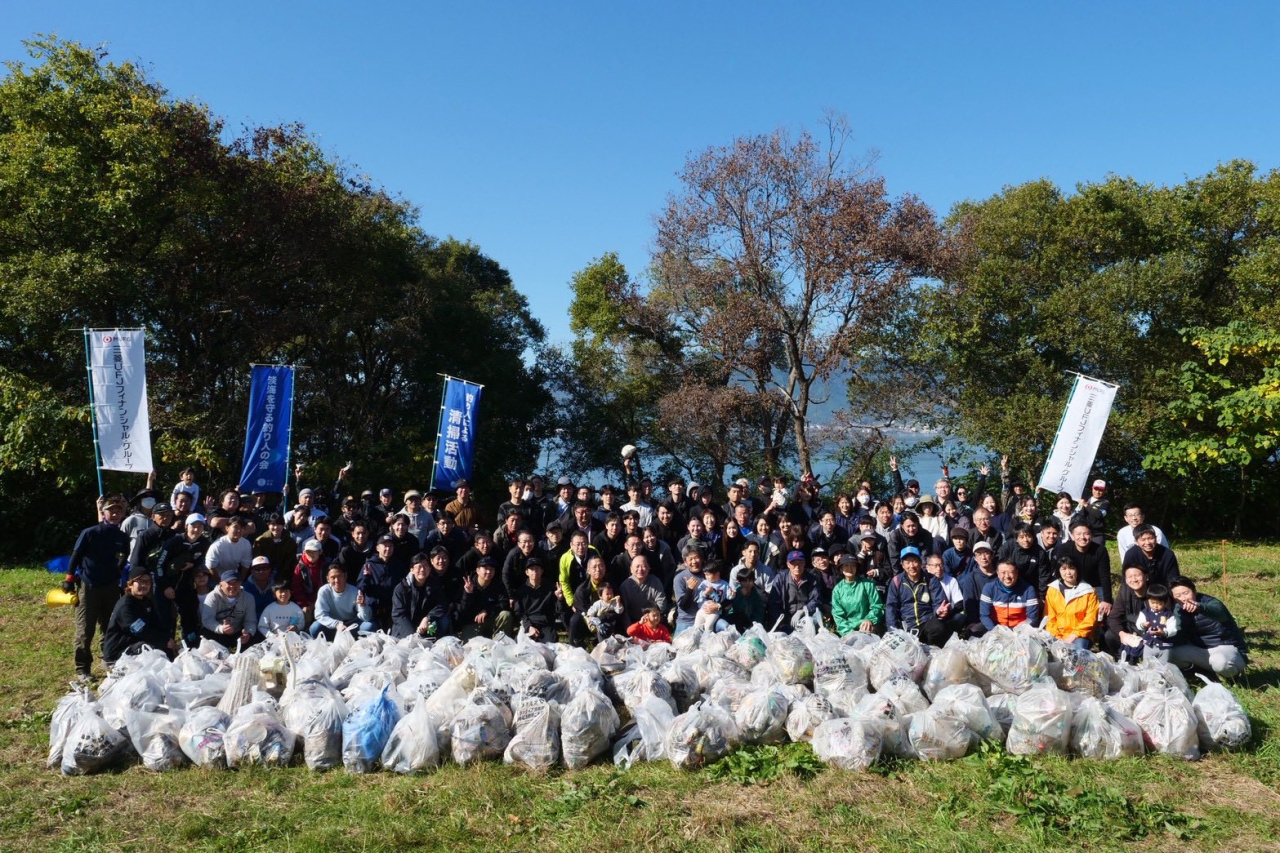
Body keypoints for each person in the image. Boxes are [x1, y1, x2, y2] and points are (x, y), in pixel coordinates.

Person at [66, 495, 131, 679]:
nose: (115, 514)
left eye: (118, 510)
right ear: (103, 513)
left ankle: (109, 661)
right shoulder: (90, 533)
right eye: (111, 510)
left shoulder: (122, 537)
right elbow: (75, 556)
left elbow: (123, 556)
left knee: (110, 627)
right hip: (89, 586)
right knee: (85, 630)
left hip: (110, 587)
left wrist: (118, 572)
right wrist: (69, 579)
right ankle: (83, 668)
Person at [1168, 577, 1248, 678]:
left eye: (1186, 593)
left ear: (1194, 591)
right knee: (1169, 653)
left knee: (1220, 663)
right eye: (1178, 596)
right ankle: (1200, 673)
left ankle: (1232, 677)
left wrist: (1200, 608)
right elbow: (1179, 633)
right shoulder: (1178, 609)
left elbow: (1220, 614)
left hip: (1226, 650)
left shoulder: (1211, 602)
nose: (1183, 598)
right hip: (1202, 651)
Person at [103, 565, 175, 665]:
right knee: (150, 648)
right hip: (118, 652)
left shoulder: (146, 601)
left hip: (136, 643)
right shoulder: (125, 606)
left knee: (166, 649)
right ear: (131, 584)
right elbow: (139, 630)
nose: (144, 585)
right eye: (140, 581)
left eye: (147, 582)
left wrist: (168, 638)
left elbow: (156, 624)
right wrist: (164, 640)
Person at [884, 547, 950, 645]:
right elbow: (891, 608)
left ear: (920, 562)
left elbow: (939, 602)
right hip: (907, 625)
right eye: (908, 562)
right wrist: (893, 631)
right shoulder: (896, 581)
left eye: (915, 561)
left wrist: (938, 611)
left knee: (938, 628)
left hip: (927, 622)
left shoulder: (931, 579)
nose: (912, 566)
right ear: (902, 565)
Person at [1053, 520, 1113, 617]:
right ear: (1072, 536)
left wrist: (1107, 600)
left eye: (1086, 534)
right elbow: (1060, 572)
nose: (1082, 537)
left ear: (1091, 535)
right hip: (1071, 586)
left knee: (1103, 613)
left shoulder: (1100, 550)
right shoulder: (1064, 549)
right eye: (1078, 534)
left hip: (1094, 587)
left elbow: (1105, 576)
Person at [393, 552, 457, 639]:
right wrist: (413, 636)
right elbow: (398, 615)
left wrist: (428, 618)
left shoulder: (434, 585)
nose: (422, 569)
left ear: (430, 569)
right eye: (419, 567)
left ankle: (433, 641)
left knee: (443, 620)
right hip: (407, 630)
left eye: (425, 566)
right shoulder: (401, 589)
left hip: (427, 626)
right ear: (412, 570)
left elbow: (441, 605)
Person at [1043, 557, 1098, 650]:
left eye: (1071, 568)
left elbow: (1090, 619)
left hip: (1080, 636)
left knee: (1078, 650)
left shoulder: (1088, 591)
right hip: (1057, 634)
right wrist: (1057, 637)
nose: (1068, 573)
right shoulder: (1052, 589)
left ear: (1077, 570)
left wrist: (1073, 635)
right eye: (1063, 569)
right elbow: (1049, 617)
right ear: (1058, 571)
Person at [311, 564, 375, 639]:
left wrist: (363, 606)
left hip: (351, 625)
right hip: (333, 626)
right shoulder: (324, 591)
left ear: (345, 576)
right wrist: (336, 624)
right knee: (315, 628)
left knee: (369, 626)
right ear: (328, 579)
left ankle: (355, 641)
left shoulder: (355, 591)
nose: (336, 580)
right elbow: (320, 615)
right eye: (333, 577)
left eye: (339, 576)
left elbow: (366, 618)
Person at [768, 550, 823, 633]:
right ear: (788, 565)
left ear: (804, 563)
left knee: (818, 616)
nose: (797, 566)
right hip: (785, 619)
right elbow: (773, 602)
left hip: (805, 616)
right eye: (794, 564)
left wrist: (803, 610)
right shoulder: (781, 578)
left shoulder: (812, 579)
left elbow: (816, 600)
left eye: (800, 563)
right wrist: (781, 623)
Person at [1103, 565, 1150, 661]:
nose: (1134, 579)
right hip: (1131, 630)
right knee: (1110, 635)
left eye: (1137, 575)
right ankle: (1122, 657)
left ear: (1146, 577)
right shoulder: (1124, 592)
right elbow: (1113, 617)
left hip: (1149, 633)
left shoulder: (1154, 593)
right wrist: (1122, 634)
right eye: (1130, 577)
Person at [201, 569, 258, 648]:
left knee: (254, 639)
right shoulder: (212, 596)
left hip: (237, 632)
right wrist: (221, 628)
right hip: (217, 632)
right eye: (229, 583)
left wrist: (248, 633)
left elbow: (250, 621)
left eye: (236, 582)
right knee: (206, 634)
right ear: (221, 584)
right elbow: (207, 619)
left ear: (240, 583)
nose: (232, 586)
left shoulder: (248, 598)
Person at [830, 554, 883, 637]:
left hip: (866, 625)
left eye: (853, 566)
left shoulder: (867, 584)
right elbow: (838, 615)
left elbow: (877, 606)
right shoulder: (837, 589)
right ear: (841, 569)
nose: (850, 569)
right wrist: (847, 632)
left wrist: (869, 619)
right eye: (846, 565)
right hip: (848, 627)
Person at [979, 560, 1039, 632]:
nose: (1007, 576)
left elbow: (1032, 618)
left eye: (1011, 572)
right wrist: (996, 632)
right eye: (1003, 572)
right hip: (996, 626)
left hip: (1020, 629)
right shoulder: (989, 588)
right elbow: (984, 615)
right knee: (975, 630)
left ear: (1017, 573)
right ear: (997, 573)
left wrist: (1018, 632)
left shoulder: (1028, 589)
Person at [957, 541, 998, 638]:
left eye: (986, 553)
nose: (983, 557)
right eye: (979, 554)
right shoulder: (970, 578)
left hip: (1001, 617)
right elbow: (969, 604)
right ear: (975, 558)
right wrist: (973, 621)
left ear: (992, 556)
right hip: (982, 620)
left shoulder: (1000, 575)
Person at [567, 555, 610, 646]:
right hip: (588, 621)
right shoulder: (581, 590)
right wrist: (594, 619)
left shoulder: (611, 586)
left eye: (600, 566)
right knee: (575, 619)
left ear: (605, 568)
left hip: (606, 618)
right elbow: (583, 611)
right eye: (594, 567)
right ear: (588, 570)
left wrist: (600, 618)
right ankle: (576, 647)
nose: (598, 569)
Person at [514, 559, 562, 641]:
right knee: (521, 647)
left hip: (546, 624)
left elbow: (557, 611)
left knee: (550, 647)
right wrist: (528, 627)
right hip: (529, 623)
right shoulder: (522, 591)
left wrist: (560, 599)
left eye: (537, 568)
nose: (534, 571)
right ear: (527, 572)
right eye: (531, 569)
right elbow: (519, 612)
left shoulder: (550, 588)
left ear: (542, 571)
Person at [619, 555, 668, 629]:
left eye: (643, 566)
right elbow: (624, 611)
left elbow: (662, 603)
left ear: (648, 568)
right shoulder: (625, 586)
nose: (640, 569)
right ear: (631, 569)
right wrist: (630, 629)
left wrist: (650, 621)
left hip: (653, 621)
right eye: (637, 566)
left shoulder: (655, 581)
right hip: (634, 623)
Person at [1134, 584, 1178, 664]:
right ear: (1148, 601)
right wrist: (1143, 625)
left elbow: (1173, 629)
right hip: (1149, 644)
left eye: (1159, 603)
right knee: (1148, 664)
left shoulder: (1169, 615)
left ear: (1165, 602)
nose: (1155, 606)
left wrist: (1164, 632)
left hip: (1165, 646)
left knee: (1164, 665)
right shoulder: (1144, 613)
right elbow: (1138, 624)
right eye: (1152, 602)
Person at [924, 553, 966, 636]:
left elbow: (959, 603)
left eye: (941, 565)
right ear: (927, 567)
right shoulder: (923, 581)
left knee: (960, 618)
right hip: (929, 617)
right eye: (935, 565)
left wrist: (947, 613)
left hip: (948, 615)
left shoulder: (951, 580)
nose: (939, 568)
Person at [672, 544, 709, 635]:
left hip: (707, 618)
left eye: (696, 558)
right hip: (687, 620)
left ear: (702, 559)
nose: (694, 562)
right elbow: (683, 606)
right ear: (685, 562)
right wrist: (690, 589)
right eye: (690, 559)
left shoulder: (709, 574)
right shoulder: (679, 578)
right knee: (679, 647)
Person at [291, 538, 330, 620]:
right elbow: (296, 587)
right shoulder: (300, 567)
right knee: (305, 616)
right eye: (308, 552)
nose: (311, 554)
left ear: (320, 552)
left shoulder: (327, 565)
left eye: (314, 551)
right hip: (307, 600)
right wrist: (303, 604)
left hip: (324, 600)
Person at [691, 562, 731, 633]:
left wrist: (732, 594)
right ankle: (696, 641)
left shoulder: (724, 584)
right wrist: (706, 593)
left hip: (715, 611)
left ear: (717, 574)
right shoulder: (704, 583)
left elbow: (729, 598)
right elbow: (698, 598)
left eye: (708, 575)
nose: (706, 577)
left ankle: (708, 641)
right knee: (697, 627)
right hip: (703, 609)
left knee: (708, 627)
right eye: (705, 574)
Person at [724, 566, 767, 631]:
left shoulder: (756, 594)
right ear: (739, 582)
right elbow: (736, 609)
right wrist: (743, 597)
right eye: (744, 581)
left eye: (750, 581)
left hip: (751, 622)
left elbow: (759, 612)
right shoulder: (736, 593)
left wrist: (755, 624)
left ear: (753, 581)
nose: (747, 584)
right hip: (736, 621)